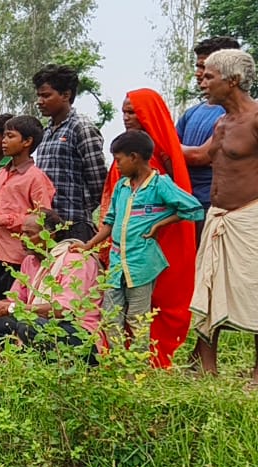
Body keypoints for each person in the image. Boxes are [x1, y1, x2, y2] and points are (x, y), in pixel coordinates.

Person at [99, 89, 200, 367]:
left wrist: (158, 224)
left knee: (144, 310)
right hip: (122, 247)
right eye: (124, 111)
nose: (127, 117)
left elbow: (185, 205)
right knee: (113, 310)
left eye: (133, 111)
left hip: (151, 248)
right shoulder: (124, 157)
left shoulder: (157, 159)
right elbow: (113, 206)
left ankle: (143, 364)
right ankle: (119, 363)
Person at [185, 49, 258, 383]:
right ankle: (205, 365)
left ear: (233, 81)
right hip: (217, 217)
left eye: (209, 76)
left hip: (249, 217)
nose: (203, 82)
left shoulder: (256, 118)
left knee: (254, 289)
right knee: (207, 289)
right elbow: (201, 156)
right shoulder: (221, 121)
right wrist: (155, 133)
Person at [0, 210, 101, 355]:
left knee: (30, 325)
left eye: (29, 234)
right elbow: (14, 301)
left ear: (50, 235)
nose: (22, 238)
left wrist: (9, 308)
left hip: (80, 334)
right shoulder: (30, 261)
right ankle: (12, 371)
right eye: (22, 233)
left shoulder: (75, 260)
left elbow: (64, 310)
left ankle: (48, 370)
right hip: (44, 324)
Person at [0, 115, 55, 301]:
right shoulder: (3, 173)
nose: (4, 141)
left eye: (10, 136)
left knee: (10, 315)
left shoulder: (36, 177)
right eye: (4, 136)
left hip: (19, 258)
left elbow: (43, 220)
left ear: (27, 142)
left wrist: (3, 220)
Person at [33, 64, 107, 239]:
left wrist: (80, 209)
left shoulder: (82, 128)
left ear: (66, 95)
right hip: (46, 227)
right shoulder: (46, 132)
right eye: (39, 96)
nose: (40, 101)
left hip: (74, 225)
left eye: (46, 95)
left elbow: (99, 183)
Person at [178, 37, 242, 220]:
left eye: (204, 67)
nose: (198, 74)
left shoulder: (242, 116)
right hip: (188, 205)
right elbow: (168, 154)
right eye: (197, 67)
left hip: (225, 209)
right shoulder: (191, 113)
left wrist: (165, 144)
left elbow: (200, 156)